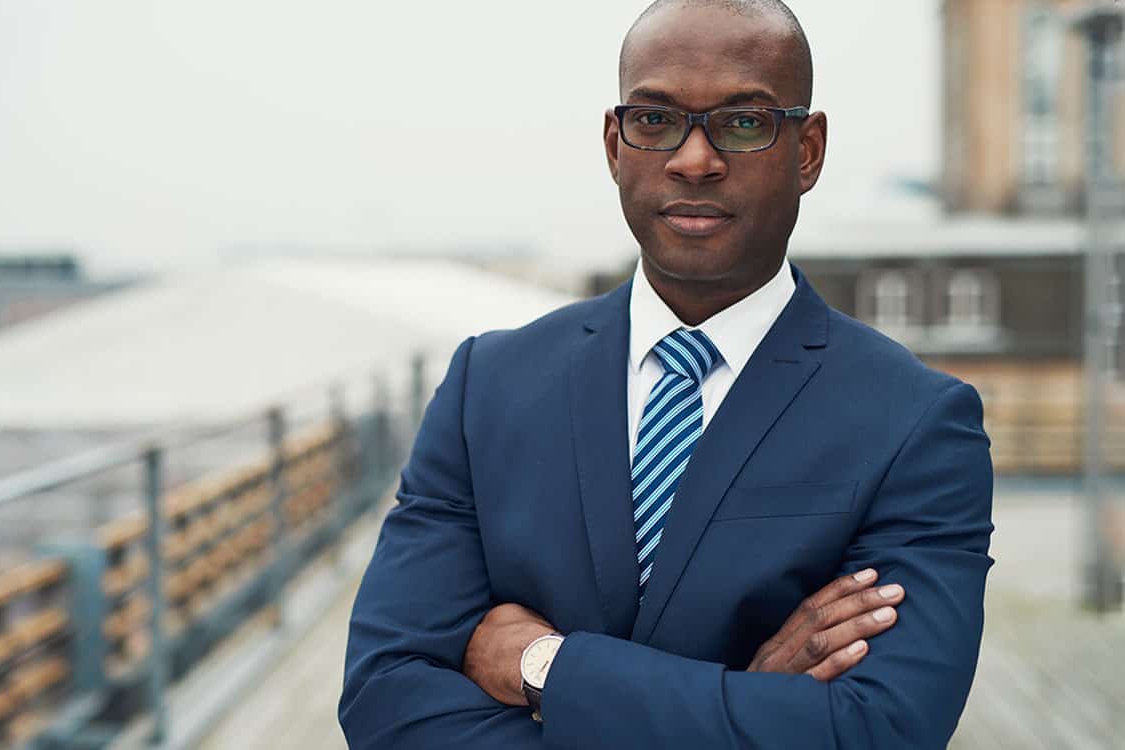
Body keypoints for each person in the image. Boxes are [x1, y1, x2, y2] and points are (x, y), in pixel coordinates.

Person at [337, 0, 994, 747]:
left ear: (807, 149)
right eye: (654, 120)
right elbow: (385, 701)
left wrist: (544, 665)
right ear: (615, 145)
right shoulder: (487, 385)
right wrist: (744, 704)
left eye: (743, 123)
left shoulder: (914, 422)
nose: (693, 159)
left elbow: (881, 731)